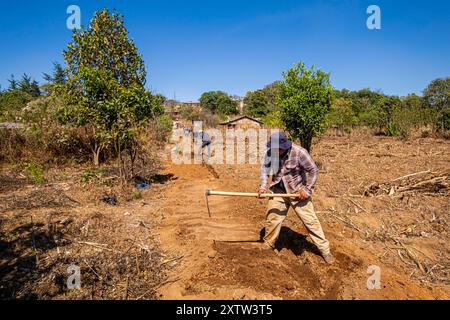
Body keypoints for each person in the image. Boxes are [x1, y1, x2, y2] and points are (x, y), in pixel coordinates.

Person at [258, 132, 335, 264]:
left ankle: (325, 250)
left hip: (297, 192)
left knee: (311, 222)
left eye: (278, 149)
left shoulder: (299, 152)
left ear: (285, 146)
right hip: (278, 191)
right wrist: (263, 187)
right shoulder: (270, 154)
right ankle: (268, 244)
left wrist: (307, 189)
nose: (276, 151)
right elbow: (265, 171)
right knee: (273, 218)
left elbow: (313, 170)